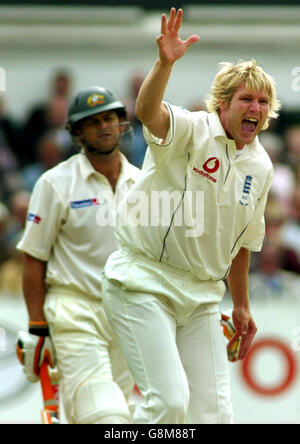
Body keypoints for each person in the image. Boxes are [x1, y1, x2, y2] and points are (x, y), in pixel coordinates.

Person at [101, 8, 280, 424]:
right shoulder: (193, 128)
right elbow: (148, 112)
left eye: (262, 101)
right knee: (168, 405)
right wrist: (165, 63)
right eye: (246, 99)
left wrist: (242, 306)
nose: (255, 107)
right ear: (224, 103)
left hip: (201, 297)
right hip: (142, 281)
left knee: (214, 416)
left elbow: (244, 243)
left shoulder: (262, 167)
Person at [16, 86, 141, 424]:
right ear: (77, 132)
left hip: (127, 315)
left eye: (109, 119)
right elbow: (34, 257)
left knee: (118, 414)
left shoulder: (143, 184)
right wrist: (37, 327)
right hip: (75, 311)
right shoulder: (56, 183)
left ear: (121, 123)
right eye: (92, 122)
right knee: (104, 413)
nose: (102, 127)